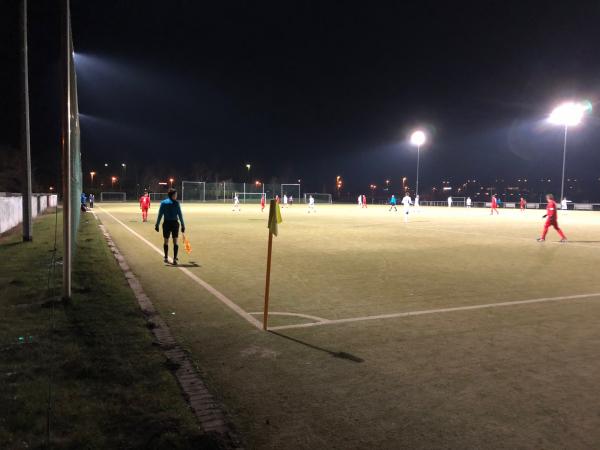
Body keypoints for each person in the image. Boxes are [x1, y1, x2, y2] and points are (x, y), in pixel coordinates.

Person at [155, 188, 185, 265]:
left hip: (166, 224)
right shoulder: (176, 203)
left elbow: (160, 215)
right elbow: (180, 215)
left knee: (166, 241)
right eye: (175, 194)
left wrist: (157, 225)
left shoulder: (163, 203)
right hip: (175, 224)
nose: (176, 196)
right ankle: (174, 259)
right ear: (172, 195)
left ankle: (165, 257)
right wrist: (182, 225)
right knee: (175, 241)